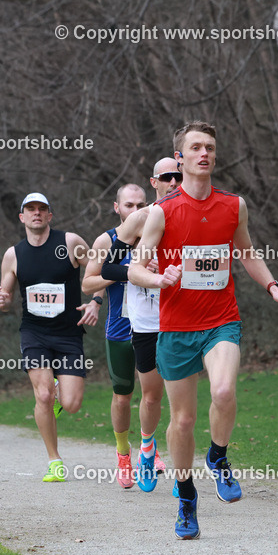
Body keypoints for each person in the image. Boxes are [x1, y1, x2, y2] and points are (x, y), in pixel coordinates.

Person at [128, 122, 278, 539]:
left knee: (223, 392)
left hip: (221, 320)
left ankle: (218, 457)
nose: (204, 153)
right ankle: (186, 497)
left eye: (211, 148)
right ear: (180, 157)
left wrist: (273, 286)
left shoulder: (233, 206)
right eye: (196, 147)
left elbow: (248, 253)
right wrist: (158, 278)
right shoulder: (162, 212)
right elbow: (136, 265)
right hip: (176, 327)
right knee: (182, 421)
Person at [0, 193, 100, 482]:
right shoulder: (13, 255)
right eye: (31, 209)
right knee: (42, 394)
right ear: (22, 217)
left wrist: (95, 301)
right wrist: (0, 300)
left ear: (50, 215)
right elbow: (5, 297)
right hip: (34, 334)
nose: (36, 214)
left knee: (72, 403)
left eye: (42, 209)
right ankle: (54, 460)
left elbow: (98, 271)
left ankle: (55, 394)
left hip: (68, 335)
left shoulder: (70, 243)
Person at [81, 175, 172, 490]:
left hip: (155, 326)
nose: (135, 209)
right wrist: (128, 273)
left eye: (140, 204)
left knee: (153, 395)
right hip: (120, 328)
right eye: (128, 204)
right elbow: (88, 282)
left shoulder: (158, 234)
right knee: (122, 397)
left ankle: (151, 448)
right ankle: (123, 454)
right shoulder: (107, 241)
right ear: (117, 207)